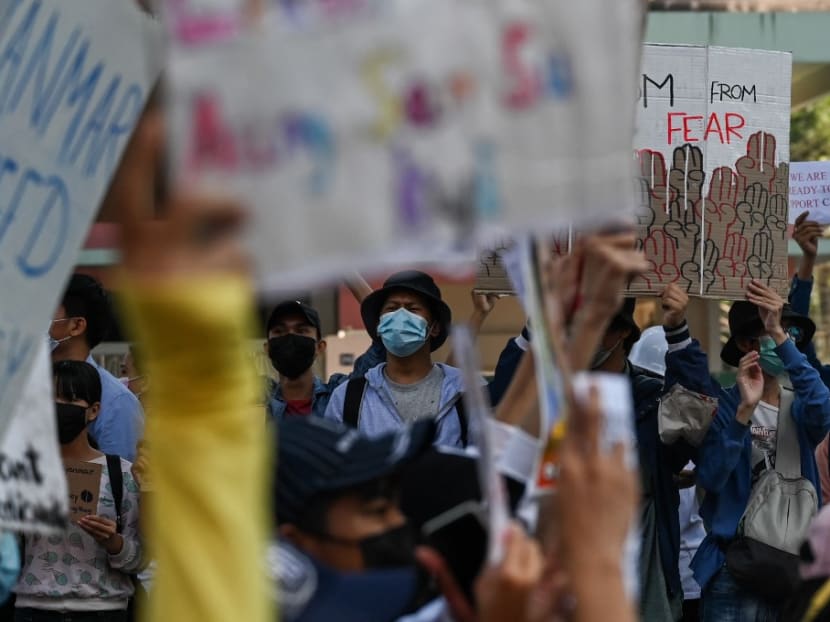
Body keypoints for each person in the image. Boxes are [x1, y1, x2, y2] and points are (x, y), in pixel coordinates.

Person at [661, 280, 830, 620]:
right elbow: (711, 475)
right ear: (744, 343)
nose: (784, 340)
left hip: (792, 569)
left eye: (789, 334)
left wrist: (778, 335)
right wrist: (742, 416)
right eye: (769, 332)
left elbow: (823, 408)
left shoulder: (799, 407)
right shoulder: (722, 405)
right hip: (732, 570)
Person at [13, 360, 142, 620]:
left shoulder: (121, 474)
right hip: (35, 609)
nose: (57, 407)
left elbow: (141, 558)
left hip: (102, 610)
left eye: (69, 399)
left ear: (93, 410)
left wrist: (113, 542)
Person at [324, 270, 467, 447]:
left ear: (435, 327)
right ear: (379, 326)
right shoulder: (347, 398)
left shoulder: (466, 390)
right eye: (391, 309)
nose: (400, 316)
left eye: (413, 309)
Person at [50, 274, 144, 461]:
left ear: (76, 325)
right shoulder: (24, 385)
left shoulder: (116, 401)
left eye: (47, 311)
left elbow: (123, 481)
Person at [264, 299, 384, 419]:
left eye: (301, 331)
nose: (290, 337)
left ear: (320, 347)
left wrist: (351, 280)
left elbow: (383, 343)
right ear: (267, 348)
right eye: (279, 331)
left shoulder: (338, 396)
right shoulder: (258, 401)